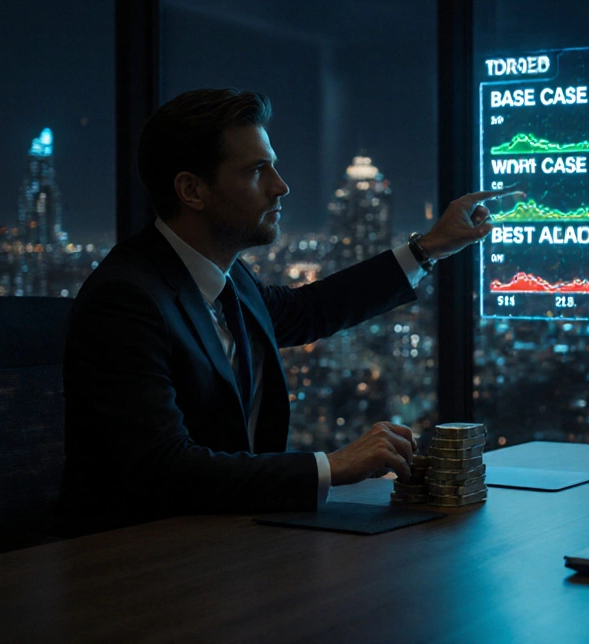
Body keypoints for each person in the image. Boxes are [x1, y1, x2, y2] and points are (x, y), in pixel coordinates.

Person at [57, 88, 507, 536]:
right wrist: (331, 467)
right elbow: (164, 469)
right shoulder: (126, 299)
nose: (280, 185)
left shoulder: (230, 280)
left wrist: (427, 248)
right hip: (144, 557)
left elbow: (308, 310)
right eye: (257, 170)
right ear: (191, 190)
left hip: (235, 540)